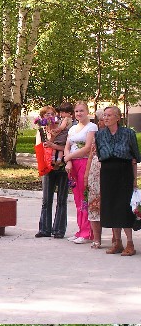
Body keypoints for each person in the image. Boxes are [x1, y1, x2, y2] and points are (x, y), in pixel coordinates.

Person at [96, 105, 141, 256]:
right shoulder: (100, 135)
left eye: (109, 115)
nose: (106, 118)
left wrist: (135, 179)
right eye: (104, 115)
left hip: (124, 173)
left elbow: (135, 156)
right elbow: (100, 154)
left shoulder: (129, 133)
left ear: (118, 117)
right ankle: (117, 242)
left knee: (123, 207)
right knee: (110, 206)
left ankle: (130, 243)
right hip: (107, 172)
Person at [36, 103, 73, 239]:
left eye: (52, 114)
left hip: (62, 166)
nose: (50, 116)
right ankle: (45, 229)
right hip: (48, 167)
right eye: (47, 114)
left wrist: (54, 145)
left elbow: (69, 149)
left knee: (62, 199)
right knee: (46, 200)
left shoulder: (65, 129)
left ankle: (59, 230)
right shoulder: (41, 131)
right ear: (43, 117)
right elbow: (40, 149)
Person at [64, 101, 98, 243]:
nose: (79, 113)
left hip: (85, 163)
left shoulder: (92, 127)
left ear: (87, 111)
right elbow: (67, 146)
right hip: (73, 166)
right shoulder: (72, 129)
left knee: (85, 198)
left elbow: (88, 147)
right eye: (77, 111)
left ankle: (88, 232)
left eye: (81, 111)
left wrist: (69, 157)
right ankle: (80, 230)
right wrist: (69, 161)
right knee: (77, 198)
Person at [83, 109, 105, 249]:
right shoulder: (97, 136)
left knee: (110, 205)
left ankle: (117, 239)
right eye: (102, 119)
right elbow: (91, 155)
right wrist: (86, 174)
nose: (103, 121)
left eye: (106, 118)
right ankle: (97, 239)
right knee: (94, 205)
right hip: (94, 174)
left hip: (110, 174)